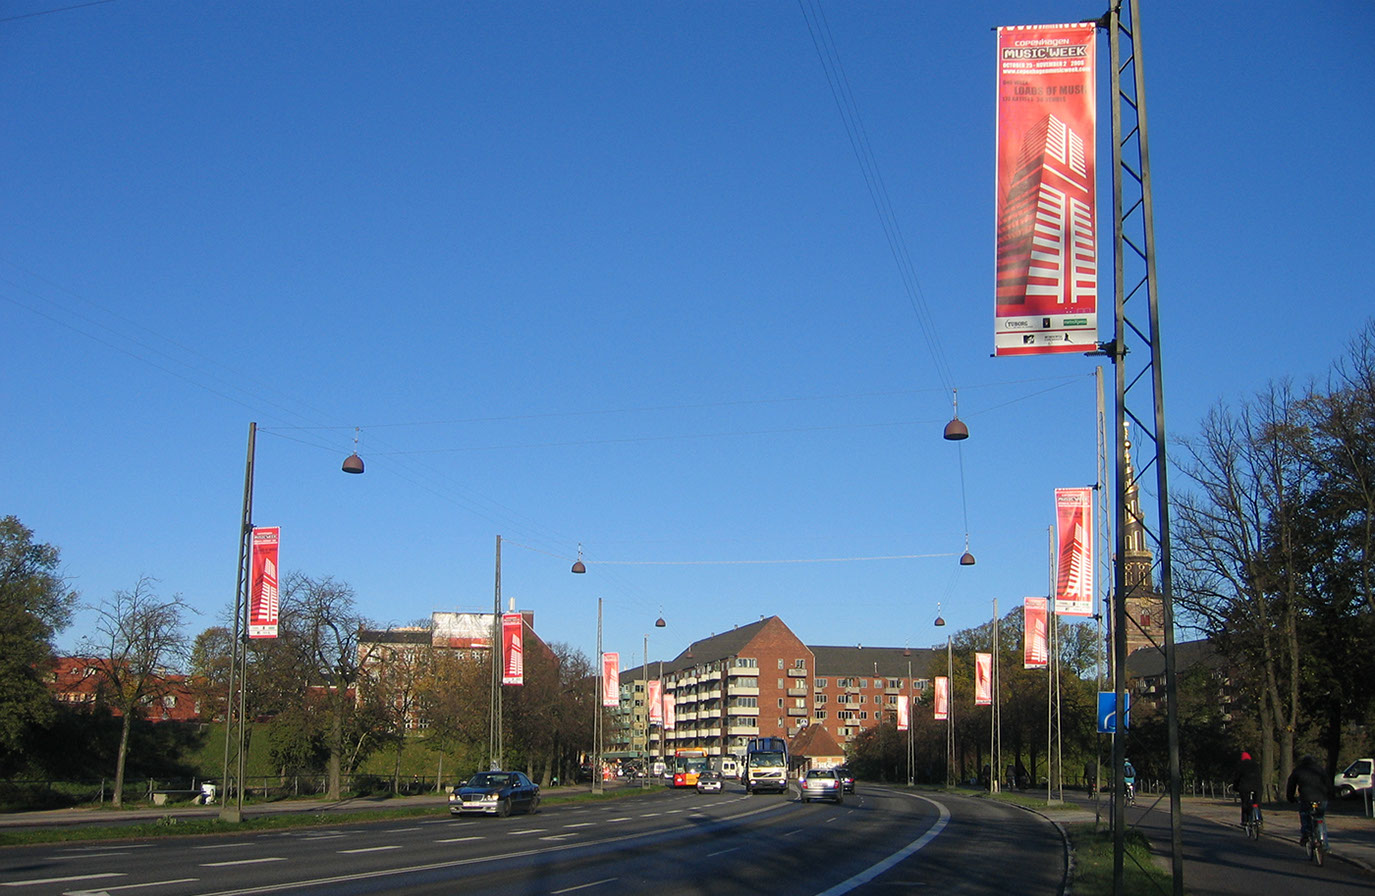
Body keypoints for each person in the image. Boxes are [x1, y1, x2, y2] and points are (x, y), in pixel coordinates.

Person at [1285, 754, 1332, 846]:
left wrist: (1290, 797)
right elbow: (1328, 783)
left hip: (1306, 798)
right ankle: (1325, 844)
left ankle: (1306, 834)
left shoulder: (1298, 770)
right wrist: (1329, 794)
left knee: (1304, 814)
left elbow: (1291, 785)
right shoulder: (1320, 769)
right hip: (1321, 798)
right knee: (1320, 818)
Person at [1234, 751, 1262, 826]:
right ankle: (1259, 819)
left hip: (1245, 787)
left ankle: (1245, 820)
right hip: (1257, 786)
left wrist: (1235, 787)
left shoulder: (1241, 765)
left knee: (1245, 803)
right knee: (1256, 803)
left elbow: (1237, 778)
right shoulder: (1256, 765)